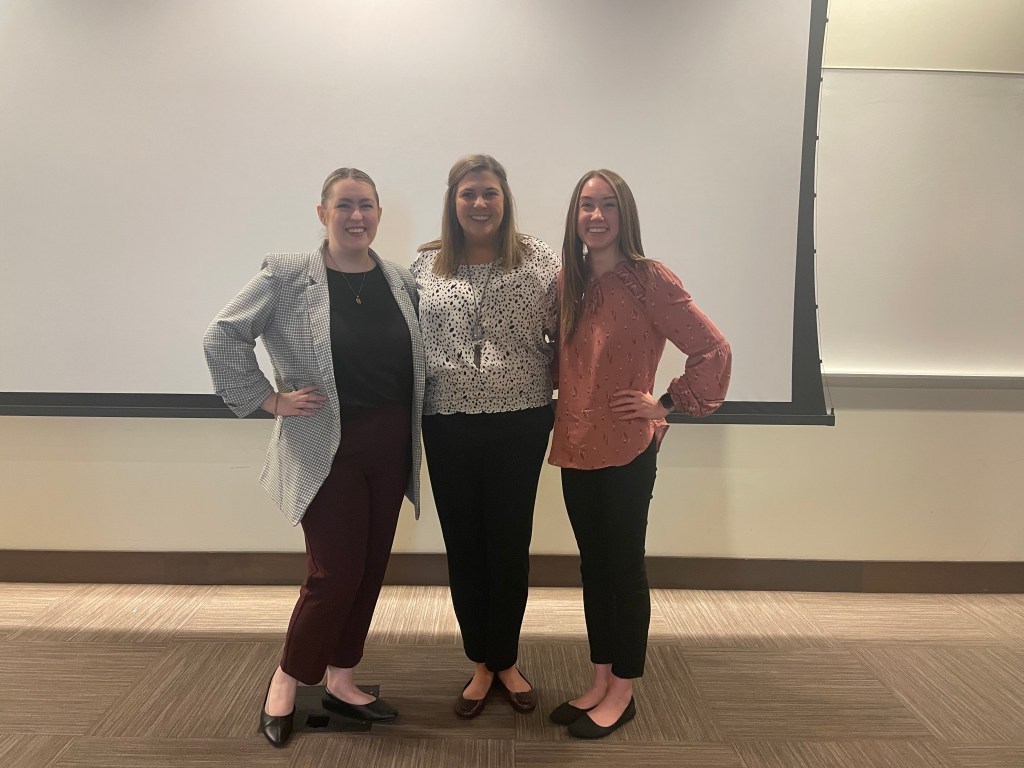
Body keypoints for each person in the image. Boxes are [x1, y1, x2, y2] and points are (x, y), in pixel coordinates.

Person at [202, 168, 425, 748]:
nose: (357, 216)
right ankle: (289, 676)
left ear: (379, 214)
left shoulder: (400, 280)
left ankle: (342, 678)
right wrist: (268, 399)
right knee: (335, 573)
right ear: (322, 213)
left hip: (390, 443)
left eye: (367, 205)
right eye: (344, 205)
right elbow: (223, 334)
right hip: (326, 446)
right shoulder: (286, 275)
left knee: (370, 567)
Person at [547, 169, 732, 738]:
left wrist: (665, 403)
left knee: (623, 566)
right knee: (593, 566)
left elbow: (712, 348)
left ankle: (623, 690)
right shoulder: (567, 282)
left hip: (628, 446)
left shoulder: (651, 279)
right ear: (575, 216)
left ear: (624, 214)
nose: (596, 216)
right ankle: (600, 678)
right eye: (586, 205)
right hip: (575, 444)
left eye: (607, 205)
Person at [410, 154, 559, 718]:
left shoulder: (540, 260)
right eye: (468, 193)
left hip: (520, 420)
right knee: (465, 544)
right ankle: (481, 660)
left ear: (505, 199)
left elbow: (571, 337)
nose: (479, 203)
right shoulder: (424, 268)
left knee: (509, 544)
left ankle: (506, 658)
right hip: (447, 422)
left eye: (489, 193)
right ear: (453, 201)